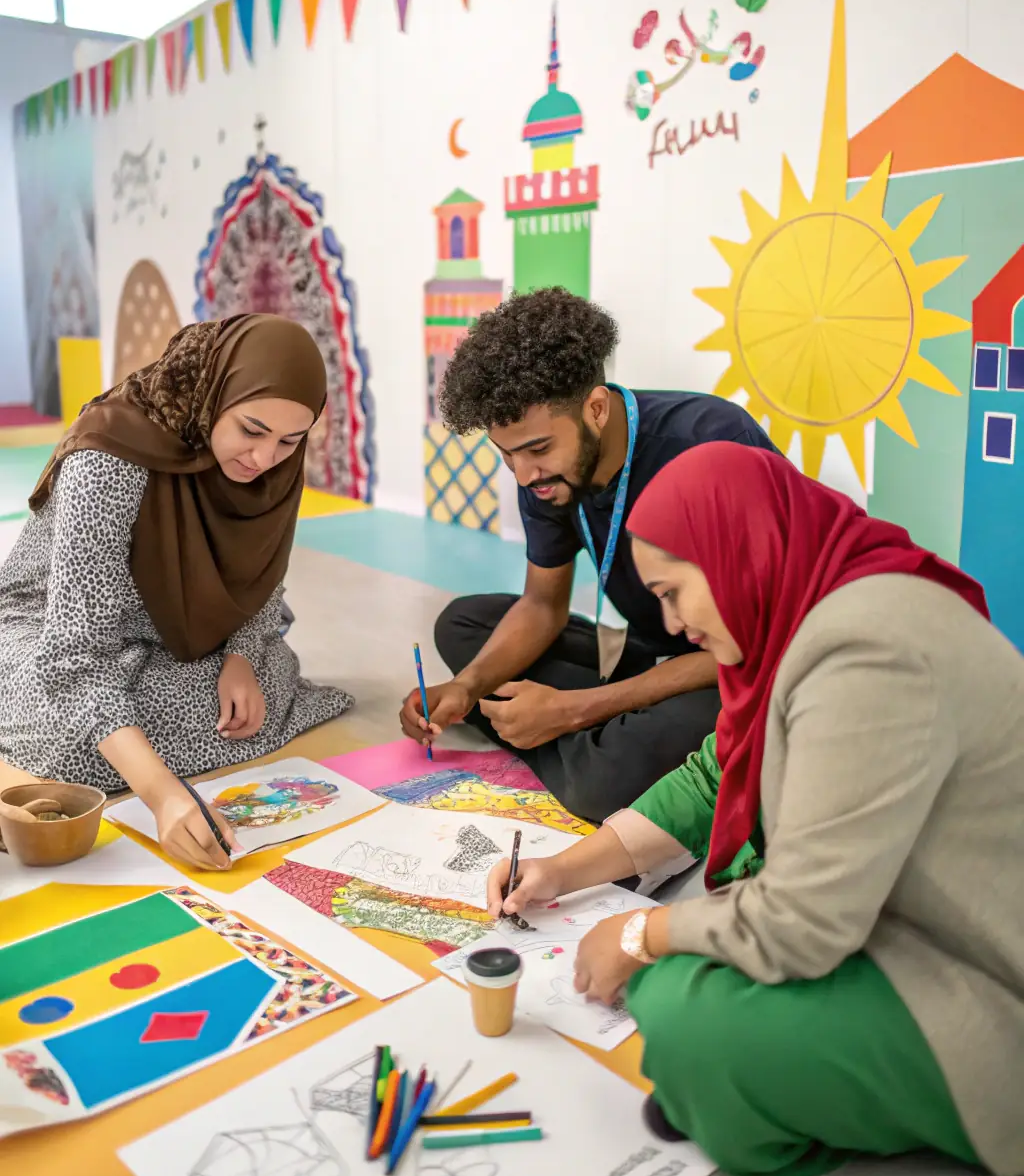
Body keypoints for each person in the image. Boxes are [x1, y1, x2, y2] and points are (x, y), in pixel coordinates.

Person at [485, 442, 1024, 1176]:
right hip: (907, 920)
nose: (671, 626)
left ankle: (788, 1111)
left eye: (673, 592)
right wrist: (562, 869)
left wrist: (639, 931)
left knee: (681, 1009)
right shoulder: (811, 607)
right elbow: (718, 775)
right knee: (686, 964)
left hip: (987, 981)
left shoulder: (866, 652)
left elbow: (802, 921)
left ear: (739, 550)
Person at [399, 289, 776, 823]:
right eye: (505, 454)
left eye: (538, 449)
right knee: (462, 624)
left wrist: (574, 710)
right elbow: (542, 605)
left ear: (596, 409)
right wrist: (467, 687)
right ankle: (572, 732)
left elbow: (758, 644)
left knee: (605, 787)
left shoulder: (711, 443)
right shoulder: (543, 478)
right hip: (647, 655)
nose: (524, 475)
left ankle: (578, 741)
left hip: (735, 667)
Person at [0, 315, 353, 872]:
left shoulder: (274, 461)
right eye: (252, 430)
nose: (264, 458)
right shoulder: (108, 457)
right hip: (50, 625)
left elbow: (260, 575)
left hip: (179, 628)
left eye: (290, 440)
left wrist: (242, 654)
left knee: (246, 694)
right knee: (70, 735)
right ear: (212, 393)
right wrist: (164, 796)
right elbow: (73, 655)